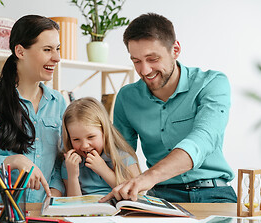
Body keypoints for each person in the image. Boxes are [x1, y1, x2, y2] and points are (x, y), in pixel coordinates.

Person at [100, 13, 237, 203]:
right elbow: (123, 154)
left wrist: (148, 177)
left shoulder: (212, 83)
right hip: (162, 198)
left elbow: (203, 139)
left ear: (175, 50)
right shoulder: (127, 97)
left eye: (152, 59)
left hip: (213, 193)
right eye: (136, 61)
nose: (145, 70)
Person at [0, 15, 66, 203]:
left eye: (57, 49)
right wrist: (11, 161)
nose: (56, 57)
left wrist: (55, 193)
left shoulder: (58, 102)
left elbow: (61, 160)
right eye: (47, 49)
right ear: (20, 51)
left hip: (42, 213)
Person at [61, 97, 141, 196]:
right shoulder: (69, 164)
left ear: (105, 132)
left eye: (91, 137)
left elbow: (136, 195)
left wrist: (103, 170)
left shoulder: (124, 158)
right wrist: (72, 176)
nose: (85, 145)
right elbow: (73, 205)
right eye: (76, 139)